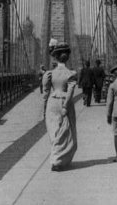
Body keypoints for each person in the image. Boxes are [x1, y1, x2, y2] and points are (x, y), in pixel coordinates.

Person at [42, 42, 77, 171]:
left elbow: (45, 93)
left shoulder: (49, 74)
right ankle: (58, 160)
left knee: (54, 129)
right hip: (63, 102)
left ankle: (57, 158)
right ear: (67, 57)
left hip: (52, 102)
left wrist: (44, 108)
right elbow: (70, 93)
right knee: (66, 131)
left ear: (55, 57)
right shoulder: (71, 73)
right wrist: (65, 107)